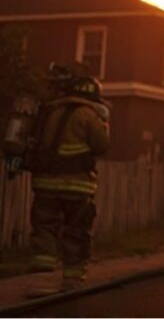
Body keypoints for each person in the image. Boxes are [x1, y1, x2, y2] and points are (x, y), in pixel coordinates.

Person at [27, 75, 110, 293]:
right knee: (77, 230)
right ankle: (72, 280)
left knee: (44, 226)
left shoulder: (50, 111)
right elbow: (101, 146)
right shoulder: (89, 114)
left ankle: (41, 274)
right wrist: (104, 125)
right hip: (77, 186)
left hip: (45, 183)